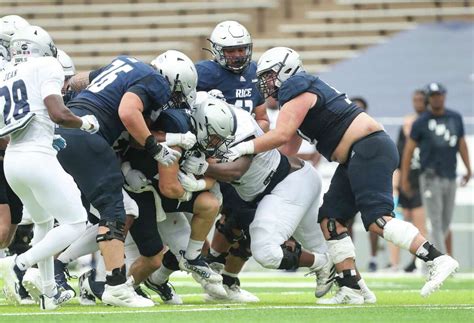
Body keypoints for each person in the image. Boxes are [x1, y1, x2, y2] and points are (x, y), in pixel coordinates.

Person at [227, 47, 459, 303]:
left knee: (377, 219)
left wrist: (243, 146)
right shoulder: (296, 98)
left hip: (368, 147)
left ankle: (436, 258)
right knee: (330, 220)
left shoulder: (297, 88)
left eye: (270, 76)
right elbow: (285, 148)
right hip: (355, 156)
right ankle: (352, 286)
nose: (266, 83)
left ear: (287, 70)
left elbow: (280, 135)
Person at [54, 50, 184, 306]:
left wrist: (65, 88)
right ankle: (115, 287)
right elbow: (128, 112)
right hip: (87, 137)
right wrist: (154, 147)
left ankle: (44, 272)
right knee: (115, 210)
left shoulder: (125, 63)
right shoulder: (155, 80)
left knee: (79, 214)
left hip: (64, 131)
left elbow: (82, 80)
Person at [182, 95, 335, 301]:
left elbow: (236, 171)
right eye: (216, 138)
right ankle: (354, 287)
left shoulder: (243, 126)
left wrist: (204, 167)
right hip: (268, 190)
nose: (219, 143)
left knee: (266, 251)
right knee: (327, 247)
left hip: (287, 184)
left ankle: (322, 264)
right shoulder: (198, 119)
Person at [0, 25, 97, 310]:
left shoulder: (5, 74)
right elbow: (58, 112)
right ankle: (19, 264)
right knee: (77, 221)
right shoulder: (45, 65)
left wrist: (47, 134)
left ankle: (48, 292)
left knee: (44, 222)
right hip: (36, 158)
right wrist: (85, 123)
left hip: (14, 160)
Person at [194, 20, 269, 302]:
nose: (238, 55)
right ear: (216, 50)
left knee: (246, 219)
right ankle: (162, 274)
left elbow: (262, 117)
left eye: (241, 49)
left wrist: (253, 142)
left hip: (244, 159)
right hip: (209, 155)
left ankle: (224, 276)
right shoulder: (203, 73)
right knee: (189, 216)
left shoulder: (254, 72)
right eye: (231, 50)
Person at [401, 82, 471, 255]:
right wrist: (405, 178)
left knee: (446, 221)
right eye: (433, 96)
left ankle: (429, 261)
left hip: (450, 174)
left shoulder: (455, 117)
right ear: (428, 98)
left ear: (444, 96)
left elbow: (461, 144)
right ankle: (442, 260)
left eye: (439, 94)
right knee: (436, 221)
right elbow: (408, 151)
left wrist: (469, 169)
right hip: (430, 176)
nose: (437, 98)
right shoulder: (421, 122)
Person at [397, 89, 428, 272]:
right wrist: (400, 182)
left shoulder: (424, 128)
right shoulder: (403, 140)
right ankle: (413, 260)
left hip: (422, 182)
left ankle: (425, 258)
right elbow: (400, 161)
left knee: (421, 223)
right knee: (406, 223)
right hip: (406, 183)